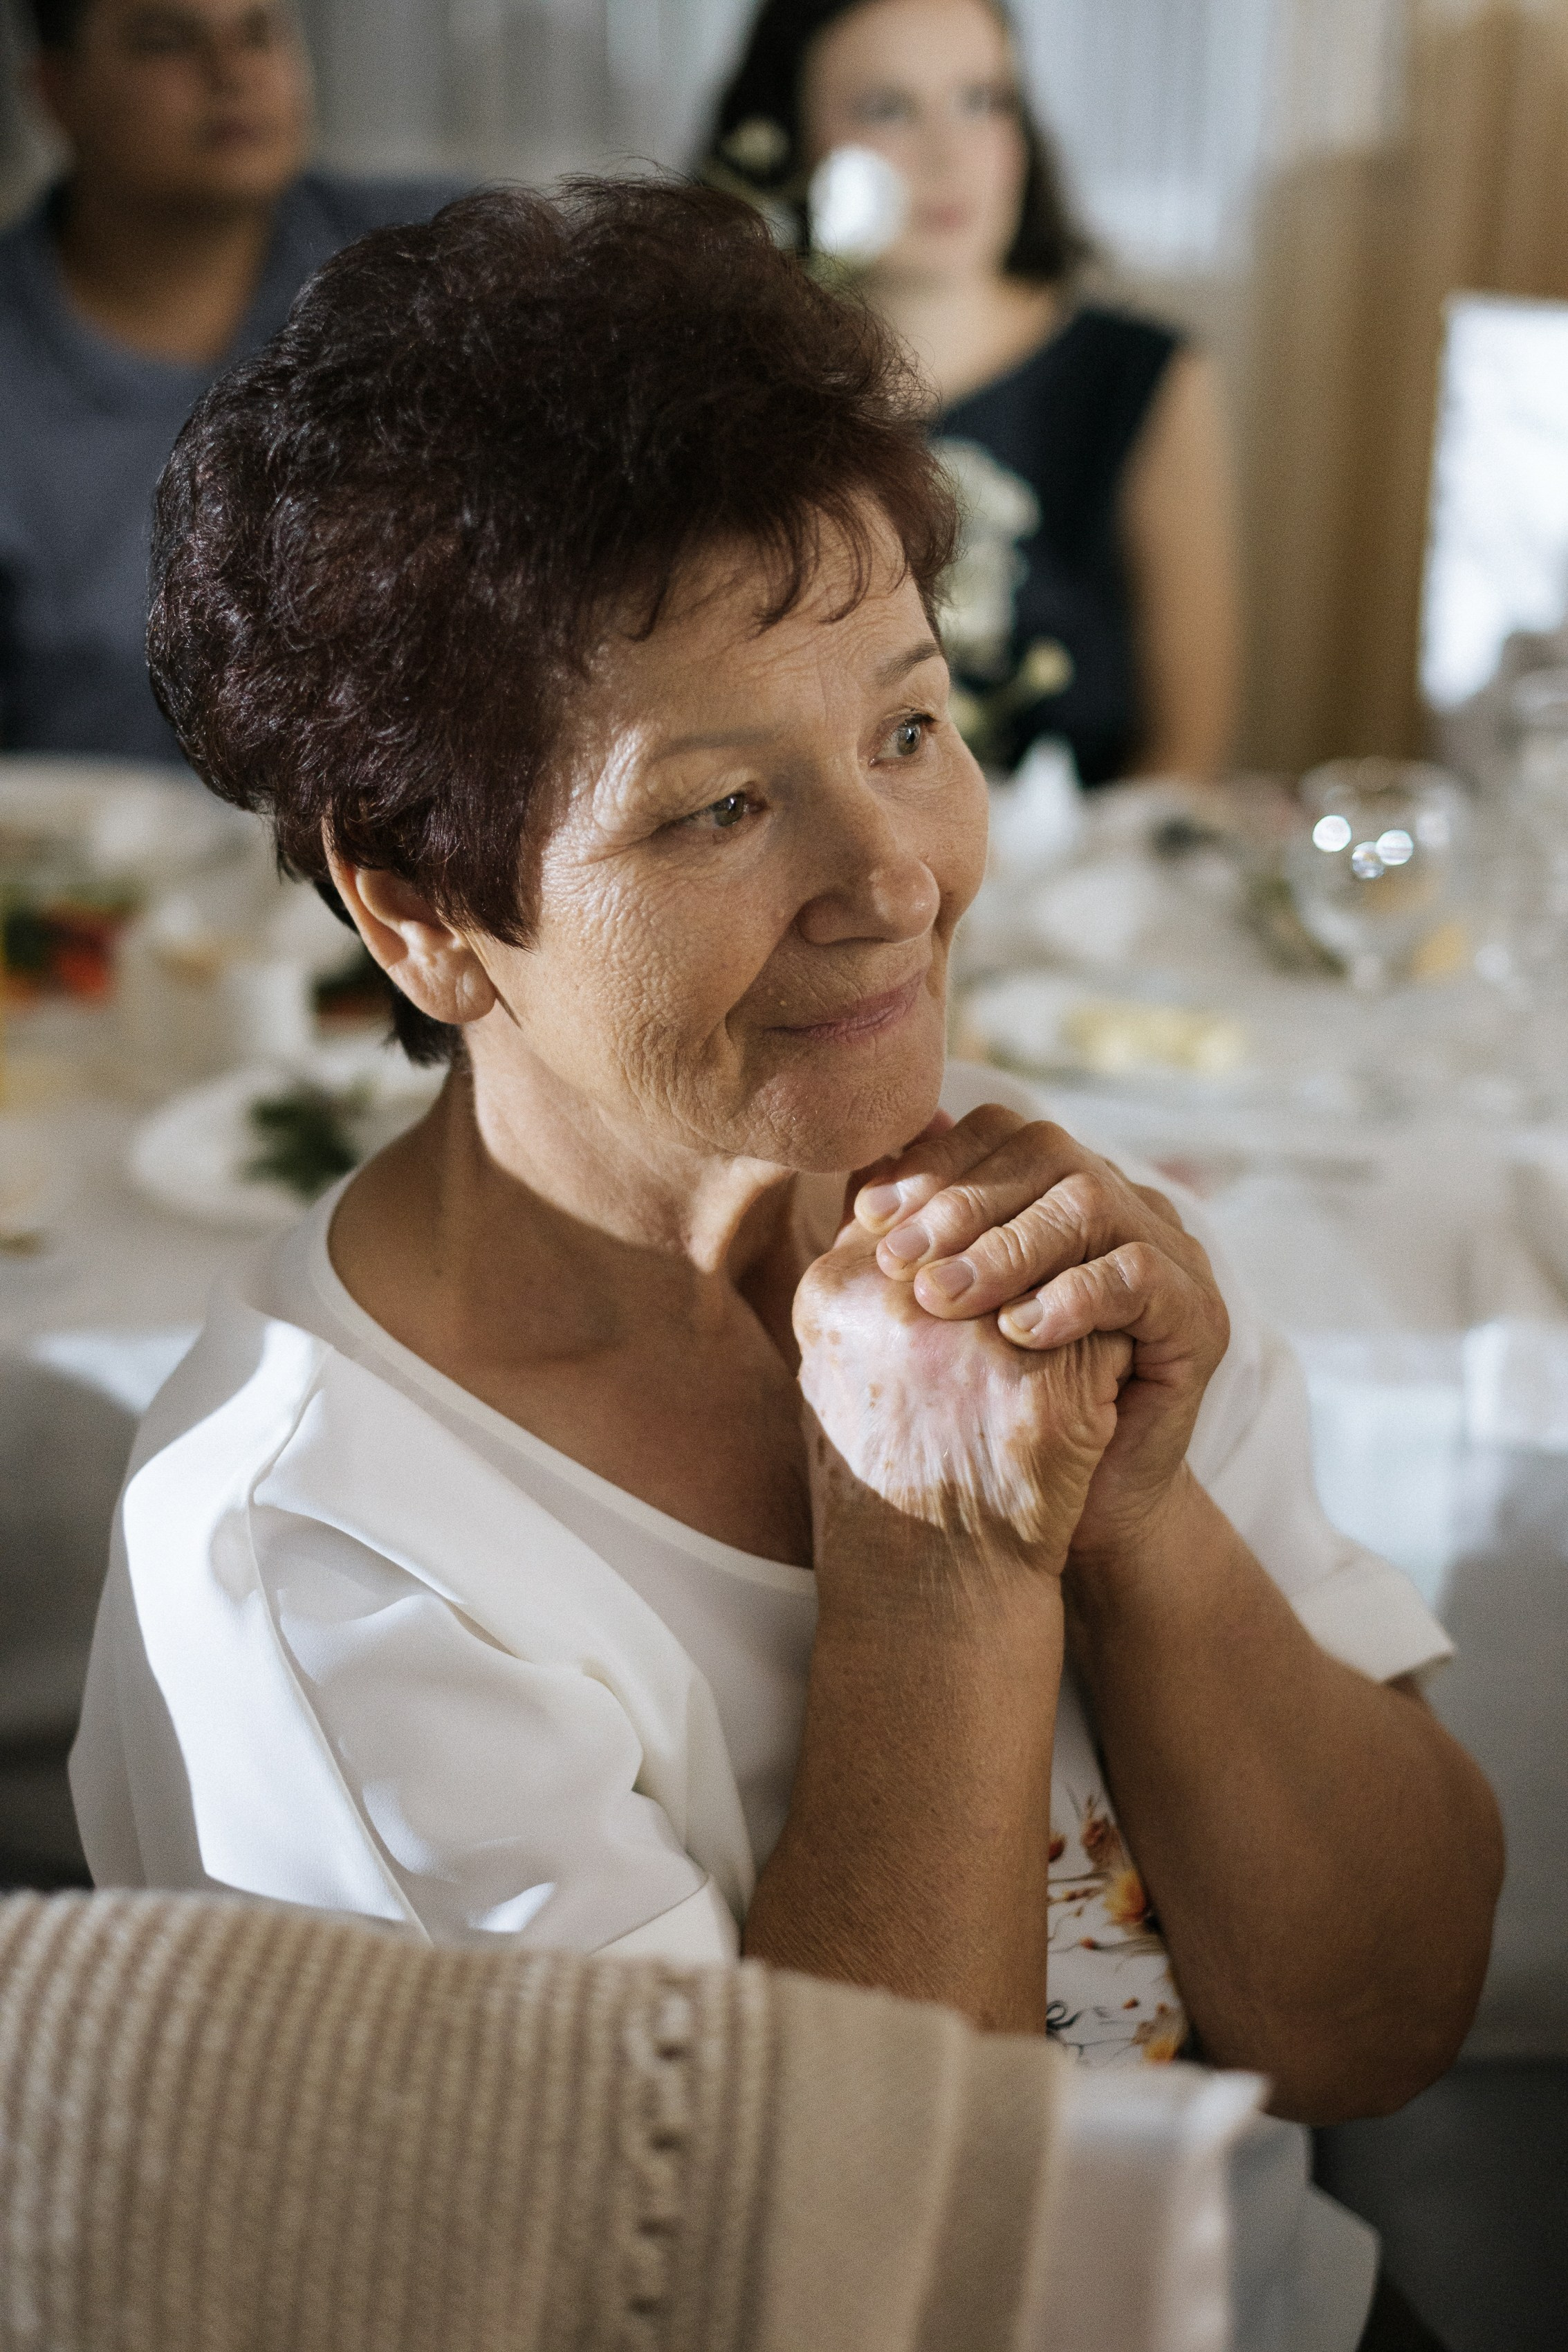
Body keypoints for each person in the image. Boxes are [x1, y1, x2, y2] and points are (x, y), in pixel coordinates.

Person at [70, 184, 1497, 2350]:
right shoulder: (323, 1560)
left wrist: (1140, 1517)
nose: (893, 878)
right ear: (420, 909)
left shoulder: (1023, 1230)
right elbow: (834, 2299)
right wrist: (935, 1574)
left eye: (907, 729)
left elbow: (1380, 2022)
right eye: (716, 810)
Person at [703, 0, 1242, 783]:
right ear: (787, 144)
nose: (946, 157)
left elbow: (1187, 751)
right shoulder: (722, 393)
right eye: (887, 109)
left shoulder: (1141, 380)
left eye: (982, 101)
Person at [0, 0, 463, 762]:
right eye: (165, 42)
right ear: (56, 90)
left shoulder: (432, 266)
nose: (232, 74)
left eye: (257, 34)